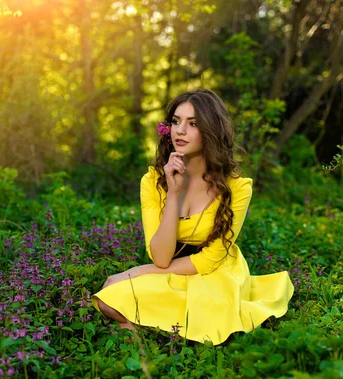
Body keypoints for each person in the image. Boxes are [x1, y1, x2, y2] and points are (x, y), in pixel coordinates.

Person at [92, 88, 293, 345]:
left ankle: (150, 331)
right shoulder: (153, 181)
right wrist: (173, 193)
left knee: (206, 319)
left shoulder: (238, 188)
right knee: (106, 297)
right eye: (176, 121)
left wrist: (138, 271)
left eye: (192, 123)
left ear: (211, 130)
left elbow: (210, 259)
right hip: (169, 269)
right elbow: (162, 258)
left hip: (215, 273)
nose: (180, 130)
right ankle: (157, 330)